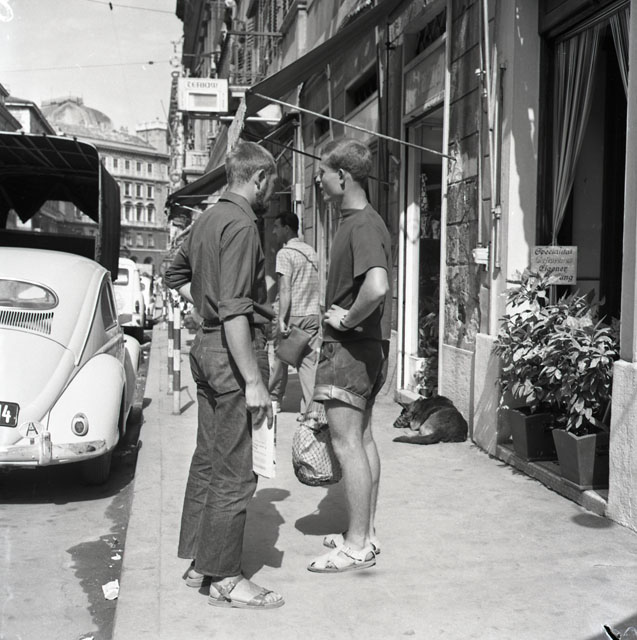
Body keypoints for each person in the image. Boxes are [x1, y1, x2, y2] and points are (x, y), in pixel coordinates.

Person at [164, 141, 284, 609]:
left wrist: (203, 307)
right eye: (271, 184)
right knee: (235, 471)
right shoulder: (243, 224)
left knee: (209, 460)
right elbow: (235, 309)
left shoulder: (208, 218)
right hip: (233, 353)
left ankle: (201, 562)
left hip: (206, 348)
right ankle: (226, 578)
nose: (271, 193)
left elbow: (174, 274)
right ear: (258, 178)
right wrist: (253, 380)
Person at [307, 137, 392, 574]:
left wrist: (345, 320)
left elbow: (376, 287)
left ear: (342, 176)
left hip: (350, 350)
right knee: (362, 440)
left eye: (322, 174)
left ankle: (357, 545)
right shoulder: (364, 222)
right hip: (365, 348)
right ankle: (365, 533)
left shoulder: (361, 225)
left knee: (347, 443)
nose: (318, 182)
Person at [269, 212, 321, 419]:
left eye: (276, 227)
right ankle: (310, 410)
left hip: (293, 315)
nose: (273, 231)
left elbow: (285, 288)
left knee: (280, 357)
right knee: (308, 363)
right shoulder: (311, 251)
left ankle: (273, 400)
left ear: (287, 228)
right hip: (312, 314)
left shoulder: (285, 253)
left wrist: (281, 318)